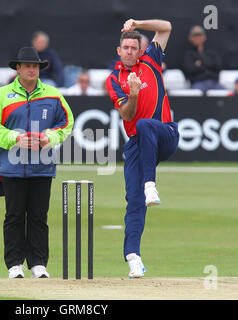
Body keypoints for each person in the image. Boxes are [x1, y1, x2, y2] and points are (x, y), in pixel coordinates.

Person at [0, 47, 73, 279]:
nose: (32, 69)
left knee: (38, 216)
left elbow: (67, 123)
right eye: (27, 66)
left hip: (42, 166)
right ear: (18, 69)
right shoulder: (2, 95)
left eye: (36, 66)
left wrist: (49, 138)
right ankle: (14, 264)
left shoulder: (53, 94)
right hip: (11, 167)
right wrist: (15, 138)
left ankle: (38, 263)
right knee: (14, 215)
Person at [105, 19, 179, 278]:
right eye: (125, 47)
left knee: (147, 124)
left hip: (165, 133)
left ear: (140, 49)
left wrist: (138, 22)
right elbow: (126, 116)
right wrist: (133, 95)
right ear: (119, 50)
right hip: (137, 142)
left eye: (133, 48)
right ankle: (133, 258)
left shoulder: (151, 60)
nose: (129, 52)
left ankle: (151, 184)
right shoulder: (114, 79)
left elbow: (166, 26)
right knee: (134, 201)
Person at [183, 25, 225, 93]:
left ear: (204, 37)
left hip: (214, 83)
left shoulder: (211, 52)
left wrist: (201, 63)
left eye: (199, 35)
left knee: (225, 94)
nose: (198, 38)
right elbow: (190, 69)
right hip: (198, 84)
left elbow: (218, 65)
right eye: (195, 35)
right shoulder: (188, 54)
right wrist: (209, 64)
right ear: (190, 38)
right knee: (195, 94)